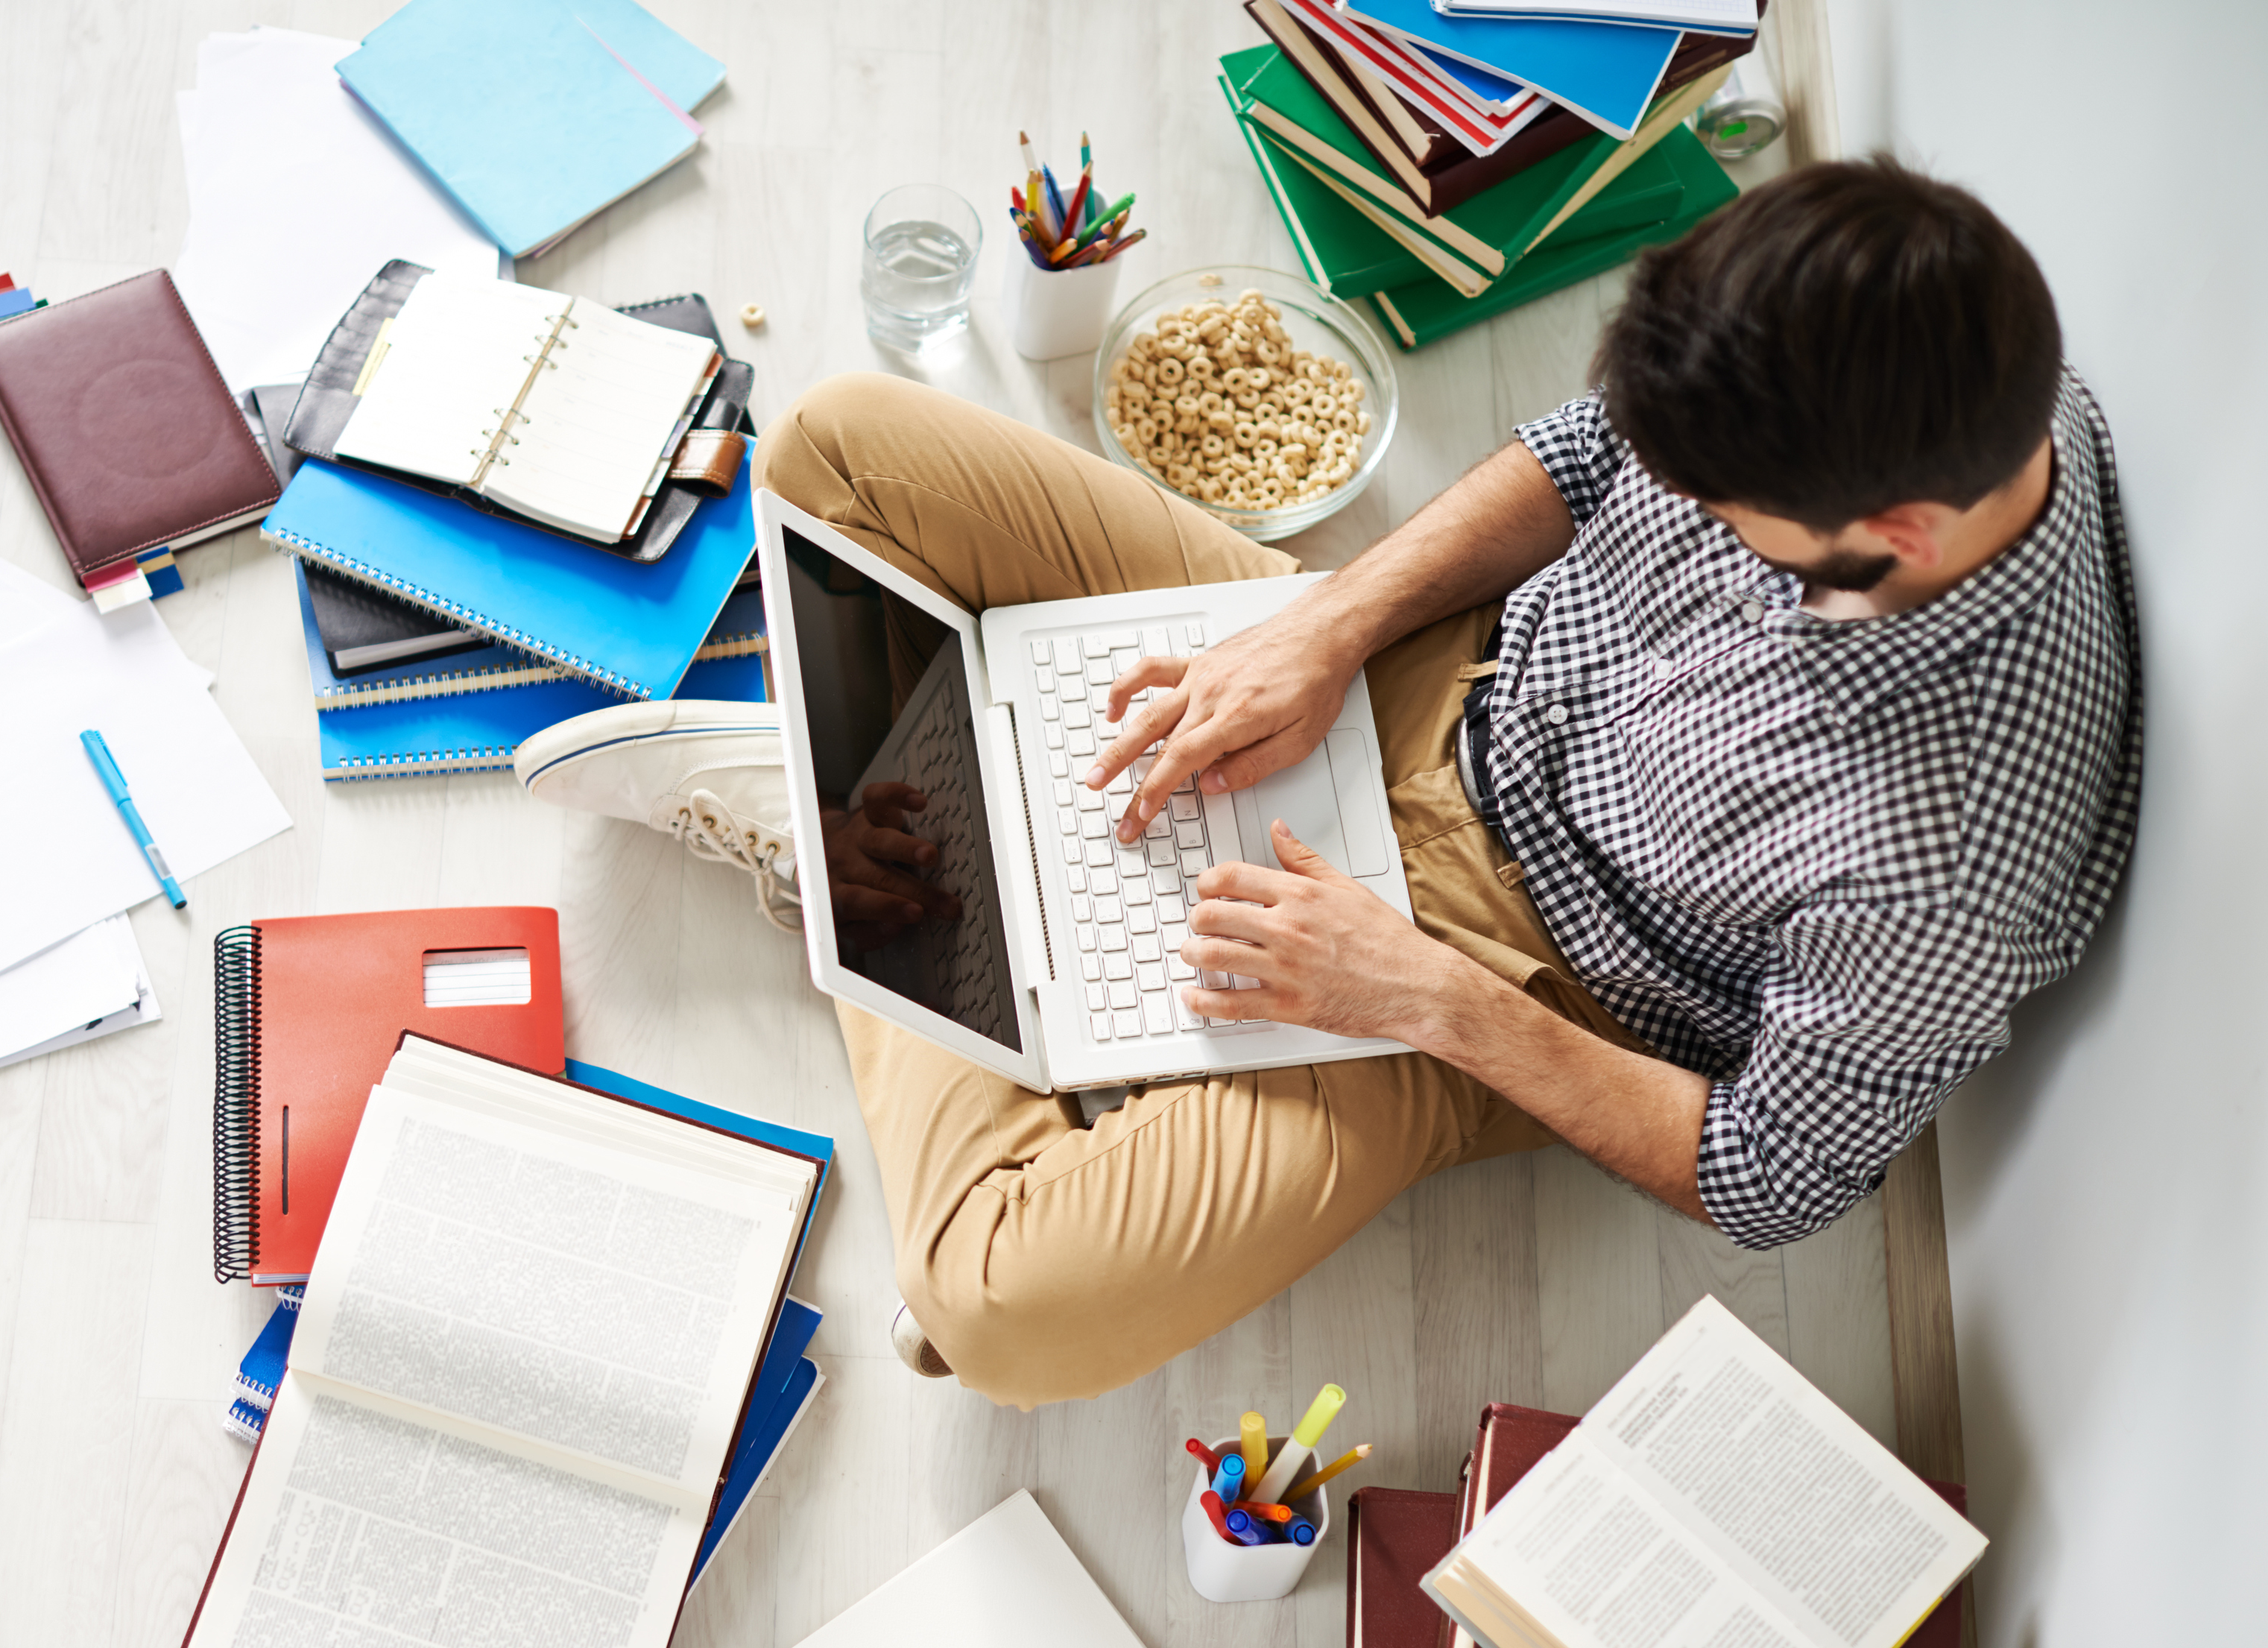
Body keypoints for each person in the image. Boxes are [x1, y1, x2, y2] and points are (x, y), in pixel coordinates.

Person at [517, 159, 2141, 1409]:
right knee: (837, 444)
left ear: (1900, 540)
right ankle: (948, 869)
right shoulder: (1921, 349)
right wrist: (1329, 617)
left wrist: (1423, 994)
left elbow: (1770, 1172)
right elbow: (1584, 460)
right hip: (1423, 667)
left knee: (994, 1304)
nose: (1678, 506)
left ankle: (849, 847)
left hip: (1501, 970)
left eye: (1721, 516)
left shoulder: (1944, 860)